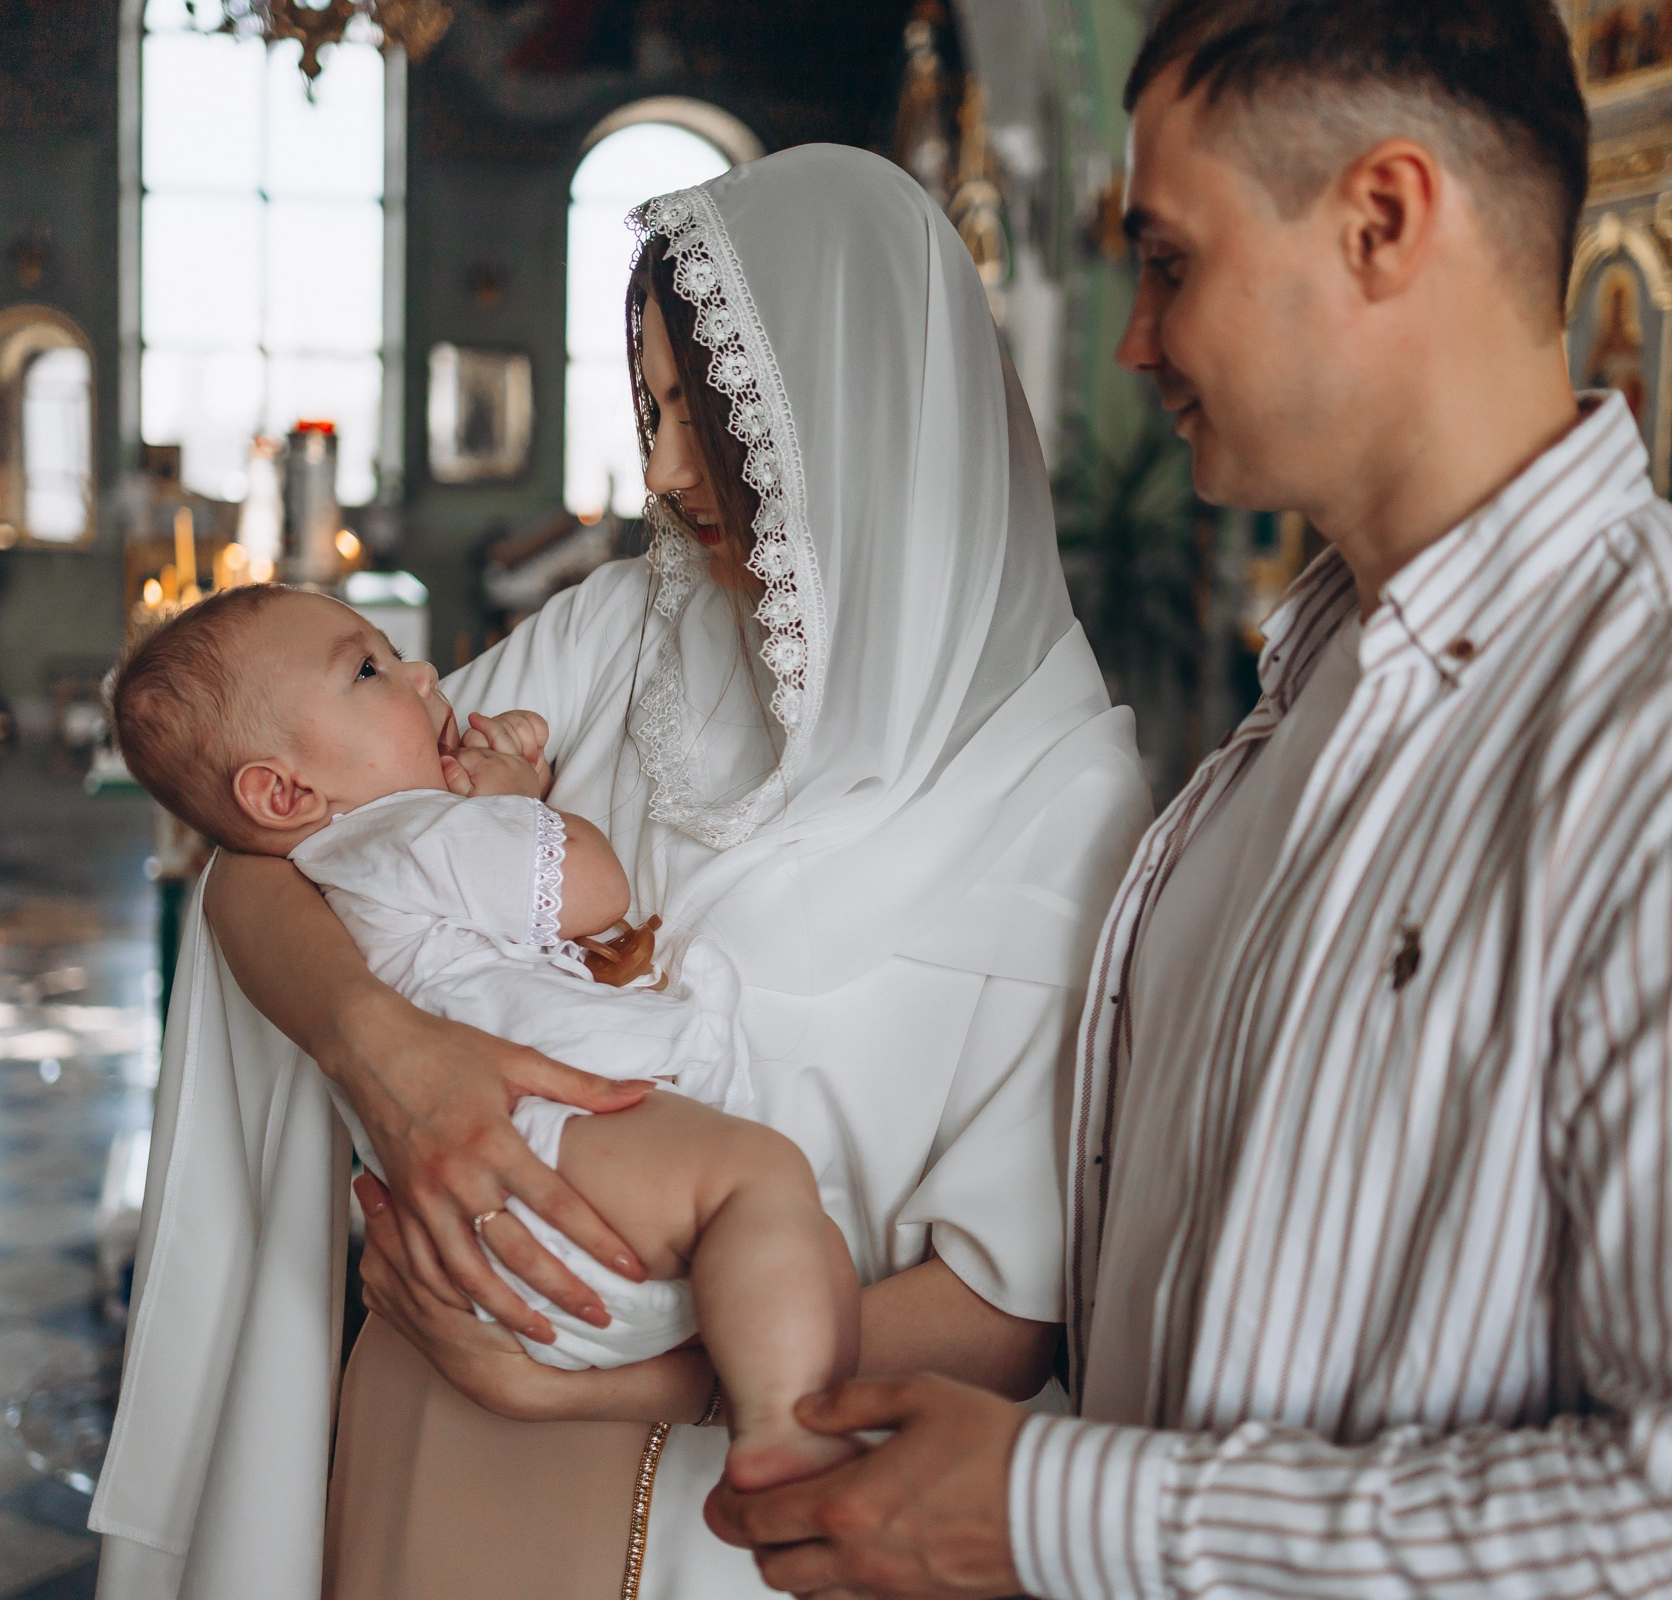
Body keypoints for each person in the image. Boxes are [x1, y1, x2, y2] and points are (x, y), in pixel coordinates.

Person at [703, 4, 1672, 1598]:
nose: (1133, 341)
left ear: (1383, 220)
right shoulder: (1305, 708)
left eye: (1170, 261)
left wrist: (1056, 1514)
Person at [89, 142, 1152, 1600]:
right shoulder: (621, 633)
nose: (658, 471)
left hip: (740, 1531)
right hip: (430, 1434)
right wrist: (388, 1051)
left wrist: (599, 1386)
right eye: (646, 410)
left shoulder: (1067, 802)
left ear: (851, 414)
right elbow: (269, 861)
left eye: (702, 418)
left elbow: (998, 1312)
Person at [107, 583, 863, 1490]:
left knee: (794, 1238)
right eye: (369, 668)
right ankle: (785, 1440)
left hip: (520, 1220)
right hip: (543, 1150)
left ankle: (782, 1408)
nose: (423, 674)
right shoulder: (405, 833)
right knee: (765, 1181)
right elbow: (593, 890)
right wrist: (513, 799)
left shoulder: (349, 854)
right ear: (283, 791)